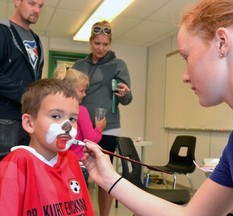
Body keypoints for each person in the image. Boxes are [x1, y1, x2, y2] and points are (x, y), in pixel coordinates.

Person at [81, 0, 233, 215]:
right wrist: (109, 178)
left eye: (186, 57)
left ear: (221, 42)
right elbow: (192, 214)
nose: (185, 77)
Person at [0, 78, 95, 215]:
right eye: (56, 116)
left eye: (72, 119)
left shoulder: (72, 160)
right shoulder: (18, 163)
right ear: (29, 123)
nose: (67, 126)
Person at [72, 20, 133, 216]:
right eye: (97, 43)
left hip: (108, 127)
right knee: (78, 173)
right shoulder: (79, 65)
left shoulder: (118, 65)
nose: (101, 48)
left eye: (105, 44)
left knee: (104, 177)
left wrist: (124, 93)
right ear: (90, 42)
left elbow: (127, 99)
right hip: (80, 128)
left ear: (110, 44)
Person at [0, 0, 45, 154]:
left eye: (40, 6)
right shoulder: (3, 32)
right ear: (17, 1)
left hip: (28, 119)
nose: (37, 10)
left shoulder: (36, 40)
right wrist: (26, 95)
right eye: (32, 4)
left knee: (21, 171)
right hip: (5, 119)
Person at [54, 64, 106, 186]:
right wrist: (99, 128)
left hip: (58, 163)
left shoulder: (55, 110)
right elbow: (91, 139)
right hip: (78, 165)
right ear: (70, 90)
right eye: (82, 91)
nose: (84, 94)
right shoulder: (80, 110)